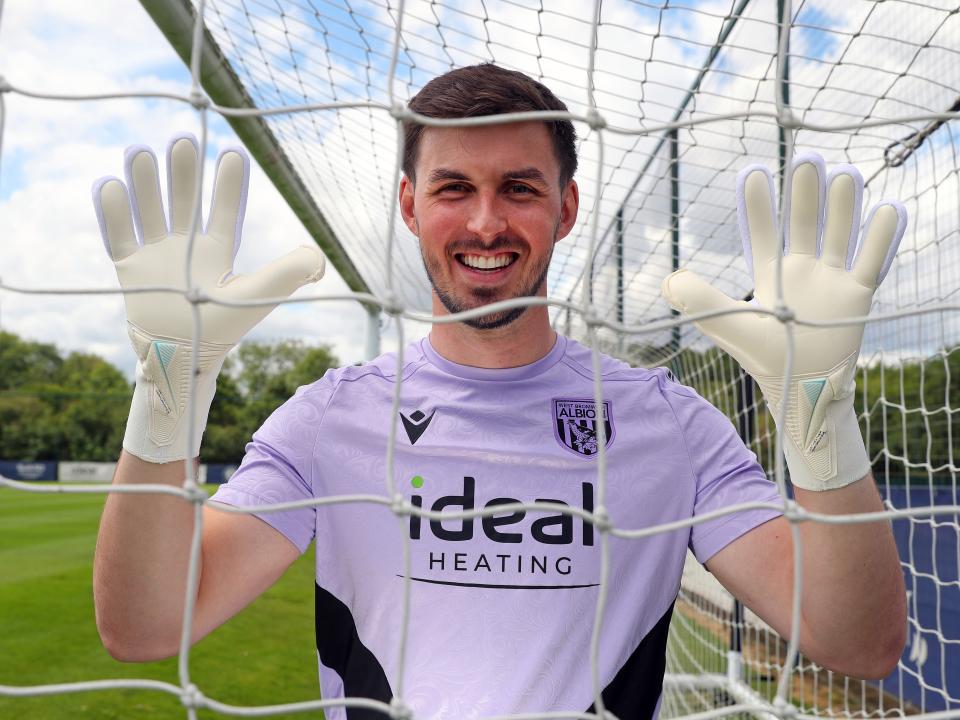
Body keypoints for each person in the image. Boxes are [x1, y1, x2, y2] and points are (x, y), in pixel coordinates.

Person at [92, 64, 907, 720]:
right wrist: (166, 394)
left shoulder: (669, 424)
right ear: (410, 206)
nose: (486, 223)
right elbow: (146, 627)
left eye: (519, 187)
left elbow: (858, 645)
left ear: (567, 206)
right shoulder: (328, 418)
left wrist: (819, 415)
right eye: (453, 189)